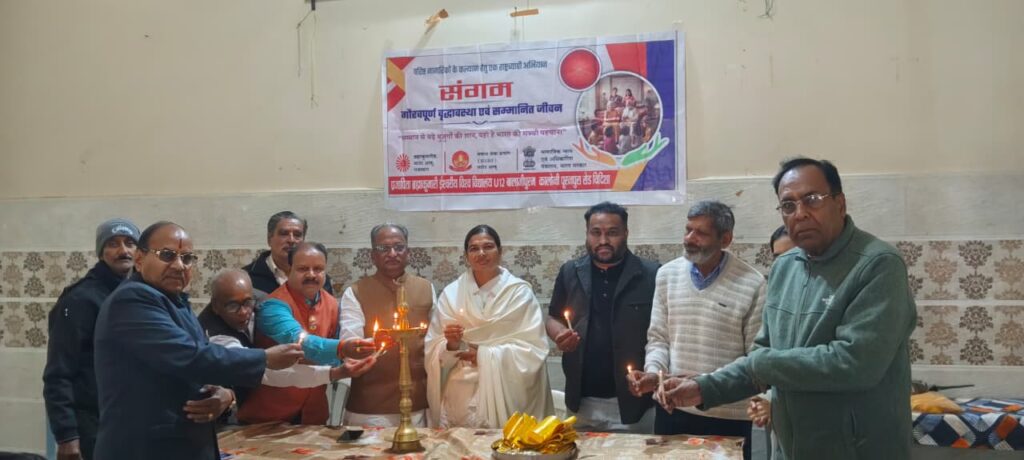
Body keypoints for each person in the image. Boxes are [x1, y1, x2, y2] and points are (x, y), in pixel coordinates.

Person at [660, 158, 917, 460]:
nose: (800, 213)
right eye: (788, 205)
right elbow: (763, 353)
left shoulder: (878, 265)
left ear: (840, 203)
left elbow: (856, 363)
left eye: (812, 199)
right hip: (789, 448)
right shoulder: (784, 267)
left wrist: (761, 363)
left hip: (858, 450)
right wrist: (704, 388)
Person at [92, 221, 304, 460]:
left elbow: (201, 358)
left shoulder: (173, 301)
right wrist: (264, 358)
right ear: (140, 259)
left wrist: (226, 394)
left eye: (187, 258)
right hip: (145, 448)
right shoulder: (132, 301)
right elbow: (189, 356)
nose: (179, 265)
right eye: (167, 255)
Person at [629, 201, 765, 460]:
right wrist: (654, 375)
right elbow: (658, 338)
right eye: (688, 229)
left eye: (701, 233)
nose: (689, 239)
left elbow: (755, 359)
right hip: (672, 410)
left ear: (725, 239)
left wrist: (703, 386)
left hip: (726, 416)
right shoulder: (667, 275)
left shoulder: (752, 283)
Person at [546, 202, 660, 433]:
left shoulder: (651, 274)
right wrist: (559, 334)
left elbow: (664, 333)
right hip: (581, 403)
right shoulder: (570, 272)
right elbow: (553, 318)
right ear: (587, 233)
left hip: (635, 404)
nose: (603, 240)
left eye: (612, 233)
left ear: (626, 233)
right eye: (596, 233)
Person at [425, 225, 553, 428]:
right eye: (474, 248)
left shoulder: (519, 294)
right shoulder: (451, 294)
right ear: (466, 256)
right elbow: (434, 349)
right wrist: (451, 345)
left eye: (488, 247)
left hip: (507, 394)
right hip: (460, 395)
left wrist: (483, 355)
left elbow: (534, 350)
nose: (481, 253)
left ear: (500, 252)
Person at [241, 242, 376, 425]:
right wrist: (343, 348)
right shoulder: (272, 306)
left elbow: (335, 359)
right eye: (303, 269)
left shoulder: (331, 304)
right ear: (289, 270)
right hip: (268, 418)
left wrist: (350, 358)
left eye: (318, 269)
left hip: (314, 417)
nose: (311, 275)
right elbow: (300, 343)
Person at [198, 269, 365, 415]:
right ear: (216, 306)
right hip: (233, 411)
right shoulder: (214, 333)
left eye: (247, 302)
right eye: (232, 306)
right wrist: (336, 367)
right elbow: (266, 373)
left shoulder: (264, 303)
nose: (243, 312)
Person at [43, 219, 140, 460]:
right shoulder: (79, 300)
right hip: (93, 426)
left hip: (131, 422)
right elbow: (58, 373)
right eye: (113, 244)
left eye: (130, 243)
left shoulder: (140, 294)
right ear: (101, 252)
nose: (123, 250)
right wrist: (67, 436)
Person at [338, 223, 434, 427]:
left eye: (399, 247)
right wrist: (374, 344)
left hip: (418, 403)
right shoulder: (356, 292)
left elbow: (435, 343)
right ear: (373, 256)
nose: (392, 253)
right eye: (383, 248)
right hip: (371, 406)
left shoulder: (426, 288)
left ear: (408, 252)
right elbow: (350, 347)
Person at [242, 211, 334, 296]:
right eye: (284, 234)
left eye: (297, 235)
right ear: (269, 239)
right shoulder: (247, 277)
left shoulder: (317, 278)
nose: (291, 240)